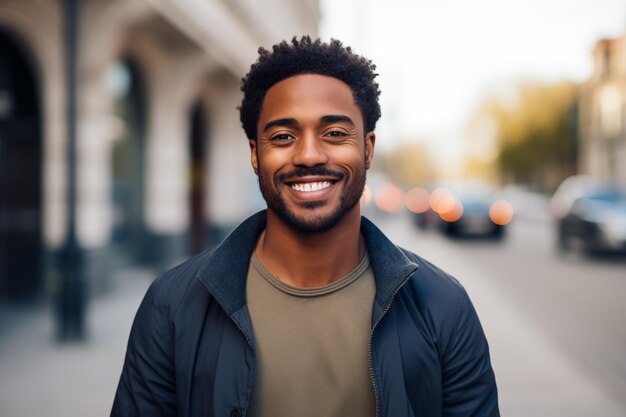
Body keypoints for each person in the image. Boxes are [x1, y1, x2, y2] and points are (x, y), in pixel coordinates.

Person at [111, 36, 499, 417]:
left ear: (367, 149)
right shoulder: (172, 306)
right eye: (282, 136)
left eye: (334, 133)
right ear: (255, 154)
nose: (309, 154)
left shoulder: (444, 306)